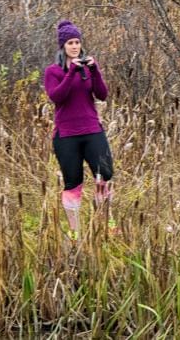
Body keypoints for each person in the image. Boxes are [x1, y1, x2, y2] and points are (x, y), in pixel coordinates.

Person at [44, 20, 114, 234]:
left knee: (105, 176)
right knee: (73, 183)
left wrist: (95, 71)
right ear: (63, 46)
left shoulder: (87, 68)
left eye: (77, 42)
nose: (75, 46)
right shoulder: (53, 72)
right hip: (66, 136)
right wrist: (71, 72)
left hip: (92, 130)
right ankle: (75, 232)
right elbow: (57, 97)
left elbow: (102, 94)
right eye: (70, 43)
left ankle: (107, 224)